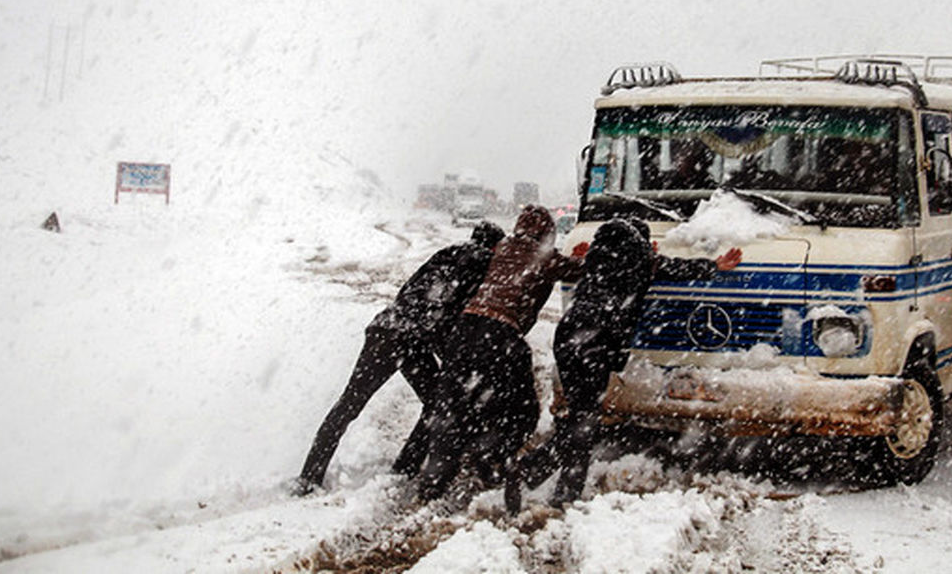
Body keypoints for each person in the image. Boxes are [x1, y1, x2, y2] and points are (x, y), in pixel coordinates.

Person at [506, 217, 741, 512]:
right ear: (641, 242)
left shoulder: (597, 257)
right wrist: (715, 265)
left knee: (580, 418)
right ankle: (545, 481)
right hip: (597, 341)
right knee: (584, 423)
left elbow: (584, 263)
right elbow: (679, 268)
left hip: (570, 336)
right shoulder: (642, 260)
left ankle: (537, 475)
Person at [291, 220, 505, 496]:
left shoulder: (447, 252)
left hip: (388, 327)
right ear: (494, 245)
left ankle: (309, 476)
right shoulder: (482, 260)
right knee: (436, 404)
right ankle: (404, 469)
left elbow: (413, 293)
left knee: (350, 404)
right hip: (415, 338)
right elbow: (450, 308)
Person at [413, 205, 586, 502]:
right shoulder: (545, 257)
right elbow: (580, 269)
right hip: (501, 336)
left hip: (465, 330)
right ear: (546, 234)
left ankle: (434, 480)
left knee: (453, 405)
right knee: (522, 410)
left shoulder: (503, 245)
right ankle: (494, 459)